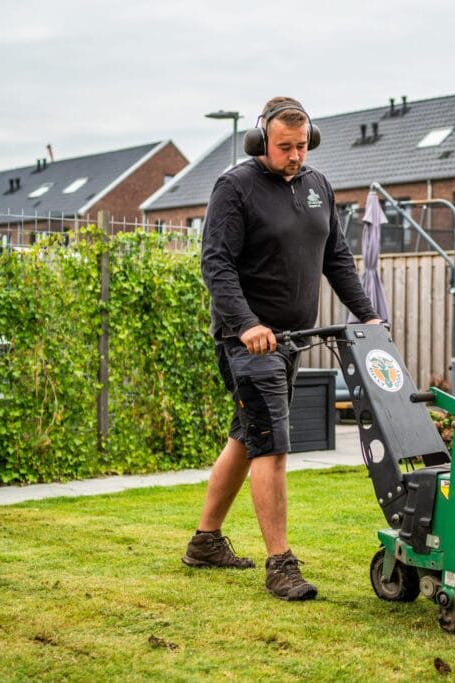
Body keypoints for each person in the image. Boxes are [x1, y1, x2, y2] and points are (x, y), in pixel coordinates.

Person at [183, 96, 380, 601]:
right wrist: (246, 323)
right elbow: (216, 265)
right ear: (260, 143)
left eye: (301, 146)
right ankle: (281, 564)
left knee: (248, 436)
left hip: (291, 339)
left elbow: (335, 257)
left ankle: (205, 542)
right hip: (247, 341)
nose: (294, 156)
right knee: (271, 442)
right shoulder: (235, 187)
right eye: (283, 147)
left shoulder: (318, 187)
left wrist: (368, 315)